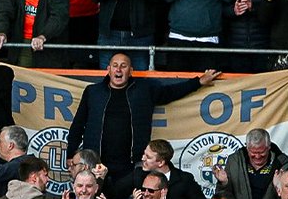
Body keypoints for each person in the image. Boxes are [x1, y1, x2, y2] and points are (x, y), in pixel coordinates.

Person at [67, 53, 218, 182]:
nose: (118, 69)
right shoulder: (93, 91)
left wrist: (198, 82)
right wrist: (70, 154)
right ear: (108, 69)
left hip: (132, 164)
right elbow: (78, 125)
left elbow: (171, 92)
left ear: (131, 70)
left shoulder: (144, 89)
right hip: (96, 163)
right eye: (115, 65)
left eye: (123, 66)